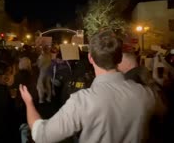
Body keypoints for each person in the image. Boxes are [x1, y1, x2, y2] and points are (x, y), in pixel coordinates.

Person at [19, 31, 157, 143]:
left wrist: (29, 103)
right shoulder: (146, 93)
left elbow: (41, 135)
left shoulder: (82, 101)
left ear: (91, 58)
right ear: (119, 59)